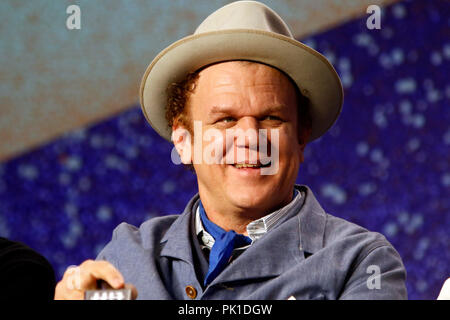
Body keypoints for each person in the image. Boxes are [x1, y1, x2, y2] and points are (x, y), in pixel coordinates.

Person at [55, 1, 408, 300]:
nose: (249, 137)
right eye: (225, 120)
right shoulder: (127, 255)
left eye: (270, 118)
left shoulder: (363, 262)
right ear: (184, 142)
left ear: (301, 137)